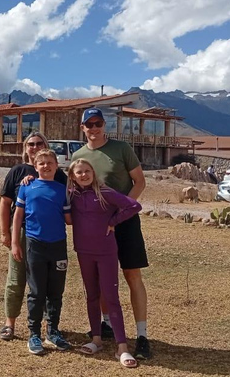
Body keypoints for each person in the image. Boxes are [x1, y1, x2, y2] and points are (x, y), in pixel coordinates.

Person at [71, 107, 151, 360]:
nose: (94, 128)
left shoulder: (122, 149)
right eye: (89, 124)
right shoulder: (79, 155)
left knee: (132, 275)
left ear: (104, 125)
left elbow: (140, 181)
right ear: (82, 127)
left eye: (98, 123)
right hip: (97, 228)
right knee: (100, 279)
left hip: (124, 224)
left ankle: (141, 335)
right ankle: (105, 325)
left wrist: (120, 215)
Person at [69, 158, 142, 369]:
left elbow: (134, 205)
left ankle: (122, 346)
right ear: (73, 176)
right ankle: (97, 340)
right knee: (91, 295)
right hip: (83, 252)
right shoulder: (71, 195)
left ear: (93, 173)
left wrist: (113, 222)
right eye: (79, 172)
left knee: (111, 297)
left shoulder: (104, 192)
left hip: (106, 252)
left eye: (87, 171)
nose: (84, 175)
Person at [0, 132, 68, 342]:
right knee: (17, 279)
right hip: (23, 233)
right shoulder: (18, 171)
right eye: (31, 144)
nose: (35, 147)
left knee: (46, 282)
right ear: (25, 148)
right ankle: (10, 324)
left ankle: (49, 327)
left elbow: (69, 198)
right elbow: (5, 204)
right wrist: (6, 233)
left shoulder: (57, 175)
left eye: (39, 144)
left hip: (49, 236)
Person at [11, 149, 71, 355]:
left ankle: (53, 332)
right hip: (34, 244)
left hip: (58, 246)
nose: (46, 166)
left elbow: (70, 219)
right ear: (35, 167)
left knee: (56, 291)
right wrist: (14, 243)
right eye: (41, 163)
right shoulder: (27, 187)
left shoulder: (63, 190)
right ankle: (34, 334)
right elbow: (18, 216)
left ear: (57, 165)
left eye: (49, 162)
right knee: (36, 292)